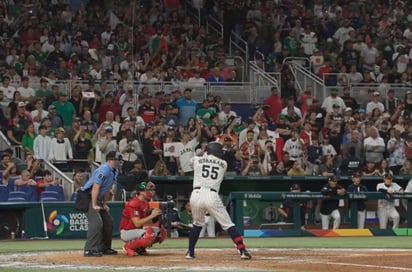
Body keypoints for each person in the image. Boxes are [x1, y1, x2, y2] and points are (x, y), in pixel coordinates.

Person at [185, 142, 251, 259]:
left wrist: (202, 153)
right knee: (228, 224)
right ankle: (242, 251)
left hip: (196, 194)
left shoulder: (197, 159)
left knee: (197, 224)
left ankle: (190, 252)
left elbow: (191, 162)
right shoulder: (223, 163)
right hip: (212, 195)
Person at [81, 151, 120, 257]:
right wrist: (94, 204)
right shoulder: (104, 169)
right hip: (87, 197)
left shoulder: (115, 171)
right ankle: (89, 249)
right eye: (117, 160)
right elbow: (95, 187)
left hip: (97, 198)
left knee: (108, 221)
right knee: (97, 223)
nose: (119, 162)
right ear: (110, 160)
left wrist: (104, 203)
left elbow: (107, 188)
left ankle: (104, 248)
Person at [119, 181, 167, 256]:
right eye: (148, 190)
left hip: (137, 230)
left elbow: (146, 221)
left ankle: (139, 248)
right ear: (141, 192)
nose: (151, 192)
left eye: (152, 190)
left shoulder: (145, 203)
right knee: (149, 233)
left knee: (162, 232)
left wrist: (157, 219)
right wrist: (152, 215)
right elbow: (137, 223)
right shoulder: (134, 203)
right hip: (127, 231)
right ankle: (128, 247)